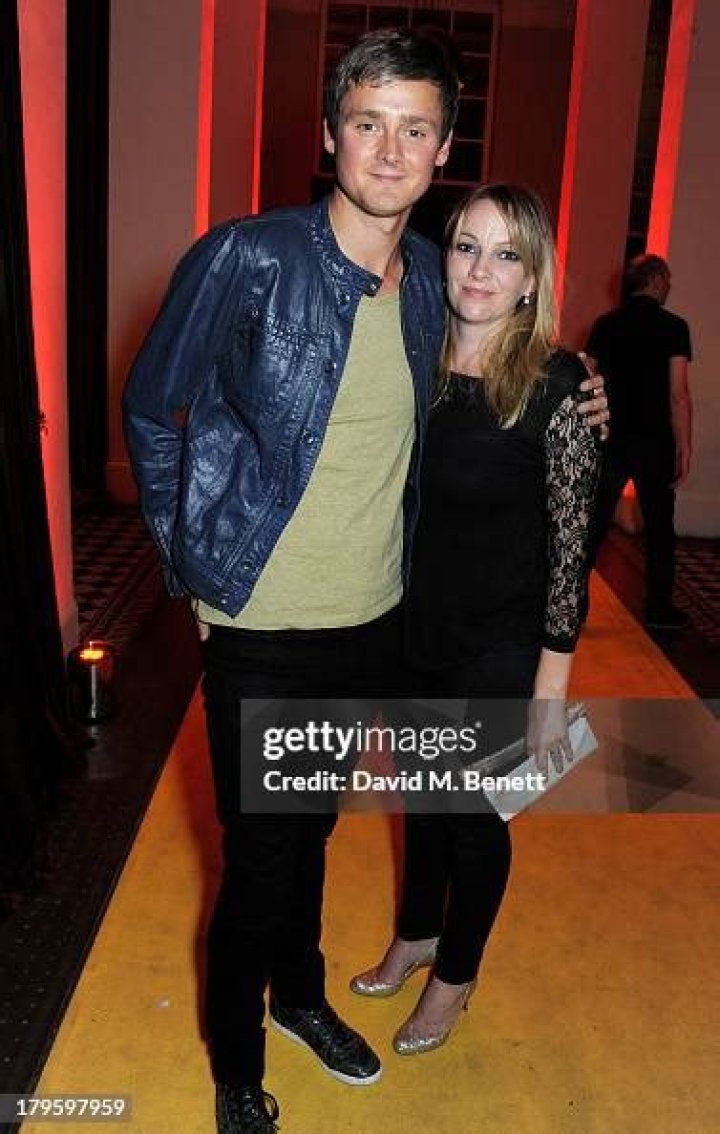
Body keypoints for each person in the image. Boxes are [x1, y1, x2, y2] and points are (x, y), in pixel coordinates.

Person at [124, 29, 607, 1132]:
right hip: (262, 622)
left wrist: (583, 389)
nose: (391, 150)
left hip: (374, 623)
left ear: (442, 149)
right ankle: (236, 1064)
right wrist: (190, 562)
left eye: (415, 128)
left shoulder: (435, 280)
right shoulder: (248, 256)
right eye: (369, 123)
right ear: (331, 133)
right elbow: (153, 407)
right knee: (261, 856)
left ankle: (300, 998)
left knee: (315, 836)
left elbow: (507, 360)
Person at [350, 184, 601, 1056]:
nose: (482, 271)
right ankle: (417, 932)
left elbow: (572, 550)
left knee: (471, 816)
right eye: (467, 247)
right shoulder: (414, 356)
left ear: (533, 278)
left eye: (506, 255)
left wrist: (549, 690)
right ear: (442, 255)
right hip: (412, 624)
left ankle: (456, 976)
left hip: (500, 642)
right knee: (420, 798)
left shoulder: (560, 387)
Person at [584, 254, 693, 630]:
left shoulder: (606, 324)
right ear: (656, 280)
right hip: (655, 442)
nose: (670, 286)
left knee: (593, 524)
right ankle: (659, 609)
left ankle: (569, 602)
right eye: (668, 279)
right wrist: (684, 444)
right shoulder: (674, 327)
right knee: (660, 529)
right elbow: (678, 394)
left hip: (610, 439)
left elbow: (588, 380)